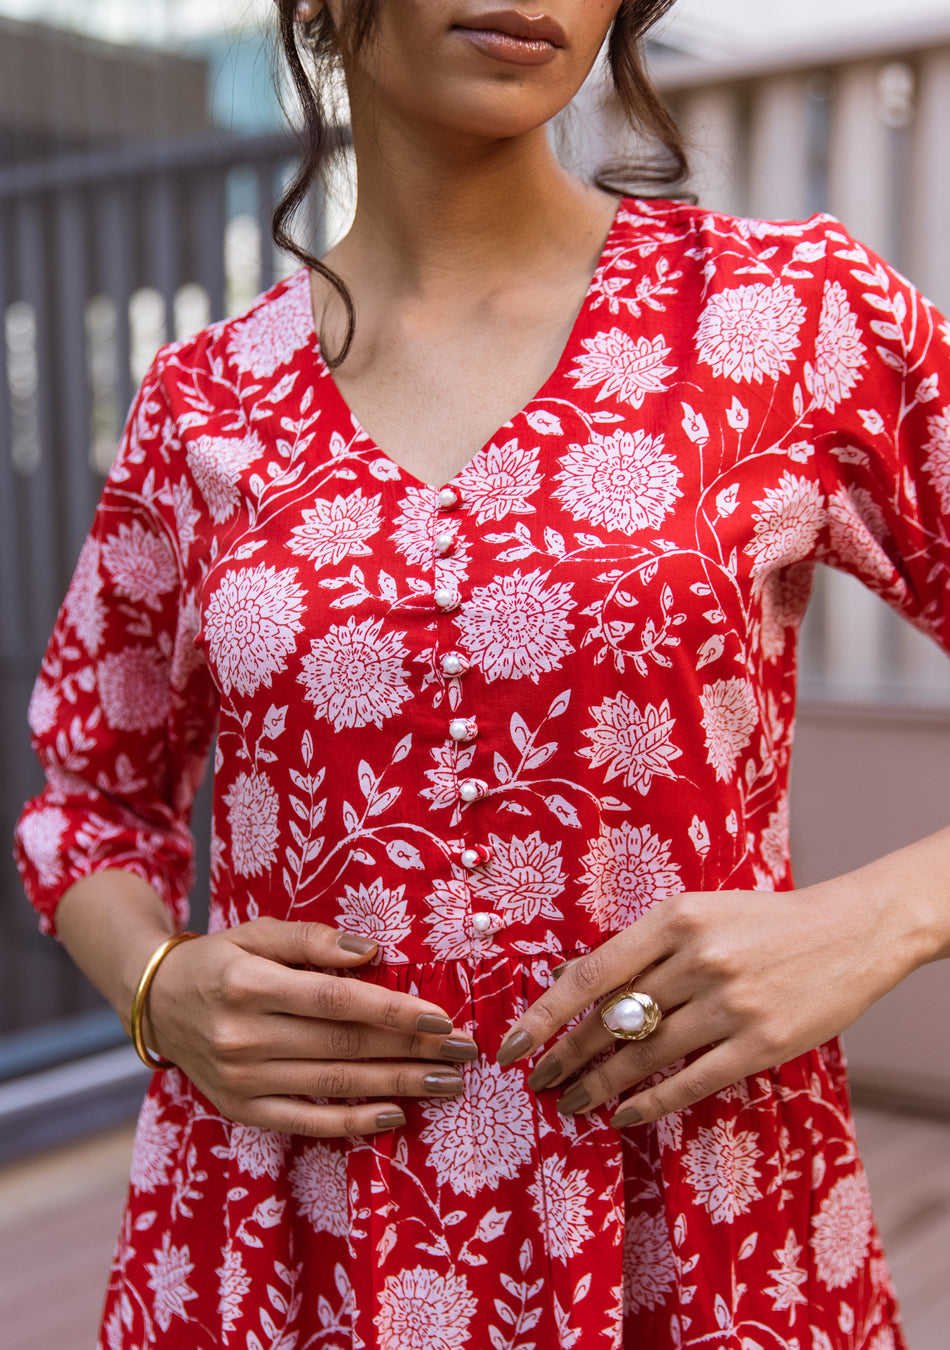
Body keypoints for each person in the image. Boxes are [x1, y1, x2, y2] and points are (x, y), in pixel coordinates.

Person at [13, 0, 950, 1345]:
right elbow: (91, 792)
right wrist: (159, 988)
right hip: (287, 1238)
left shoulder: (779, 315)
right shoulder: (201, 404)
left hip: (692, 1220)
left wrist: (876, 922)